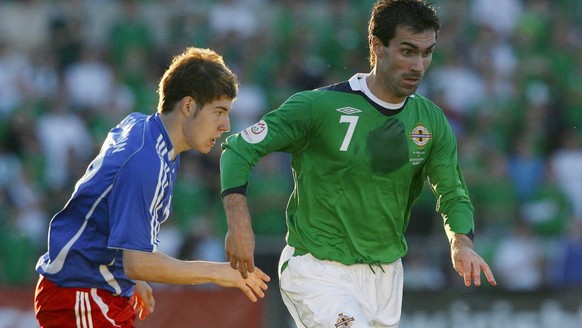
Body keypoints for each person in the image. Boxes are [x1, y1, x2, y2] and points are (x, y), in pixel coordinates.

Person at [220, 1, 496, 327]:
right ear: (377, 46)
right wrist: (239, 224)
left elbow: (452, 192)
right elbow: (238, 150)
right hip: (317, 269)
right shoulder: (319, 106)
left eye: (427, 53)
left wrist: (461, 244)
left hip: (385, 276)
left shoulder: (431, 121)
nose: (419, 65)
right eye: (408, 51)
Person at [34, 47, 270, 328]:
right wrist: (216, 272)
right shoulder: (147, 162)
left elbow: (105, 203)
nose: (225, 125)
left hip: (99, 290)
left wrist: (131, 276)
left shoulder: (142, 128)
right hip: (79, 295)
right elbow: (139, 262)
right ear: (188, 106)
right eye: (219, 111)